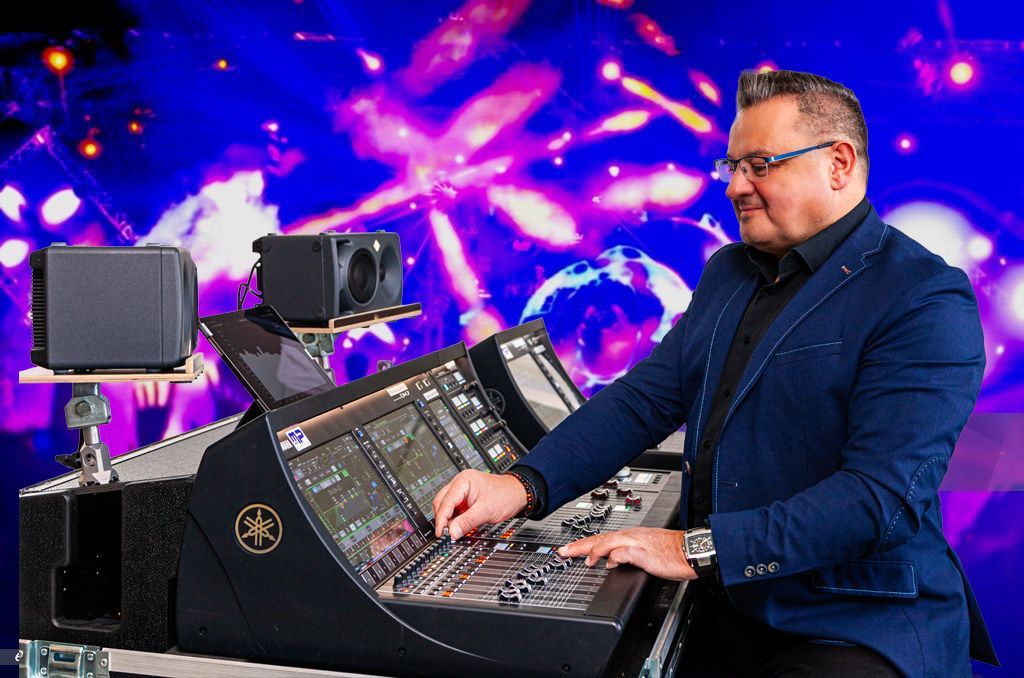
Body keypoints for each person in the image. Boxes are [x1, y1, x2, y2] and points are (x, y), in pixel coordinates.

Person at [433, 69, 998, 677]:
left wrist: (694, 549)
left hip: (850, 623)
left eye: (760, 165)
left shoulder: (923, 296)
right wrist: (522, 484)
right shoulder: (729, 272)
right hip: (726, 610)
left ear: (838, 164)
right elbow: (642, 401)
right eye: (731, 166)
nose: (735, 187)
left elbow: (875, 500)